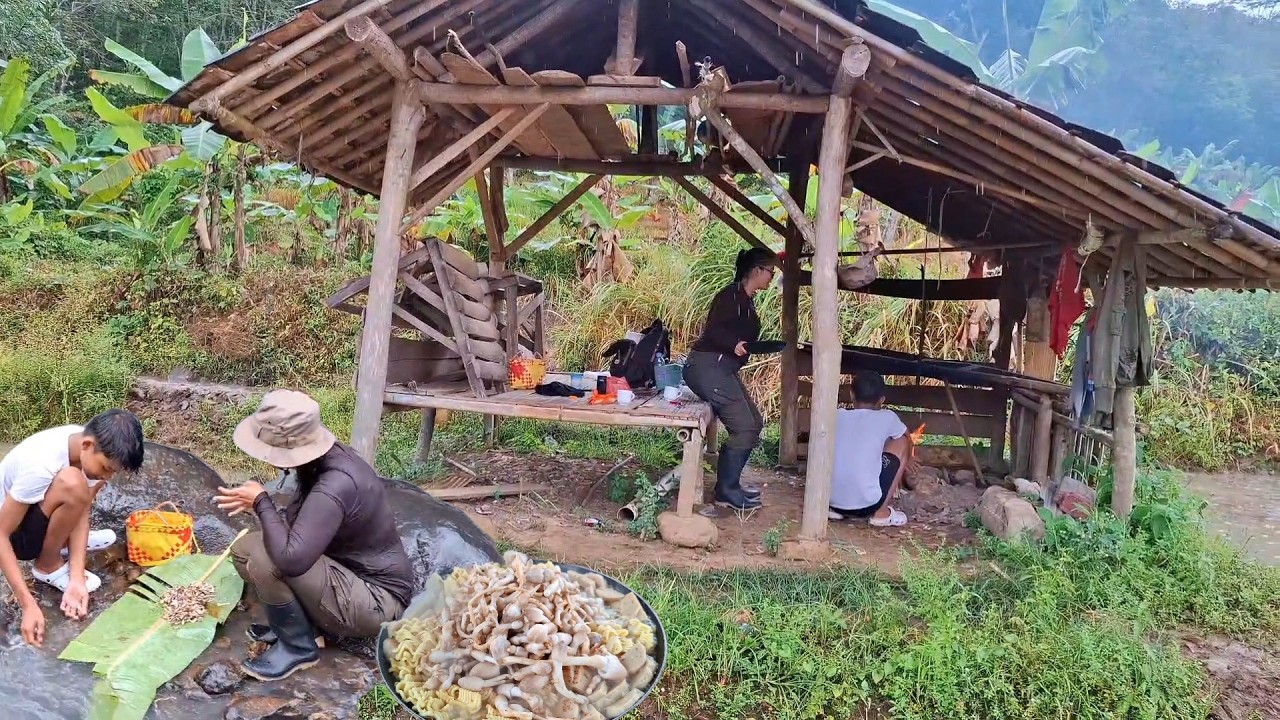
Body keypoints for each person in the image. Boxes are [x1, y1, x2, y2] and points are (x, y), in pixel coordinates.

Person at [215, 390, 414, 682]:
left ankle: (298, 648)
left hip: (378, 601)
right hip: (347, 573)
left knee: (264, 558)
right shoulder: (320, 462)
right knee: (245, 549)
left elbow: (291, 560)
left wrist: (261, 502)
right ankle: (303, 626)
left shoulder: (336, 484)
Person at [0, 410, 146, 647]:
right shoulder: (40, 463)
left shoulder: (84, 446)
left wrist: (76, 579)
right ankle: (47, 566)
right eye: (107, 467)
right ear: (88, 445)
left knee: (83, 486)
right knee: (73, 482)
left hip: (36, 515)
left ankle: (65, 544)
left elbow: (82, 509)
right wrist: (28, 605)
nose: (108, 476)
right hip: (17, 536)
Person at [684, 246, 777, 511]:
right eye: (770, 271)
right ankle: (725, 490)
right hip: (707, 367)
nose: (771, 277)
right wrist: (734, 343)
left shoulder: (746, 299)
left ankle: (731, 486)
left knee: (754, 422)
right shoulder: (729, 296)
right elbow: (713, 330)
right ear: (757, 270)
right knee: (745, 426)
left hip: (722, 368)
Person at [828, 372, 917, 527]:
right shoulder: (887, 417)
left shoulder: (837, 415)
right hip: (868, 506)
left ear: (851, 394)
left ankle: (838, 507)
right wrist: (908, 461)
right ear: (882, 400)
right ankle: (881, 514)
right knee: (901, 442)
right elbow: (907, 438)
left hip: (832, 503)